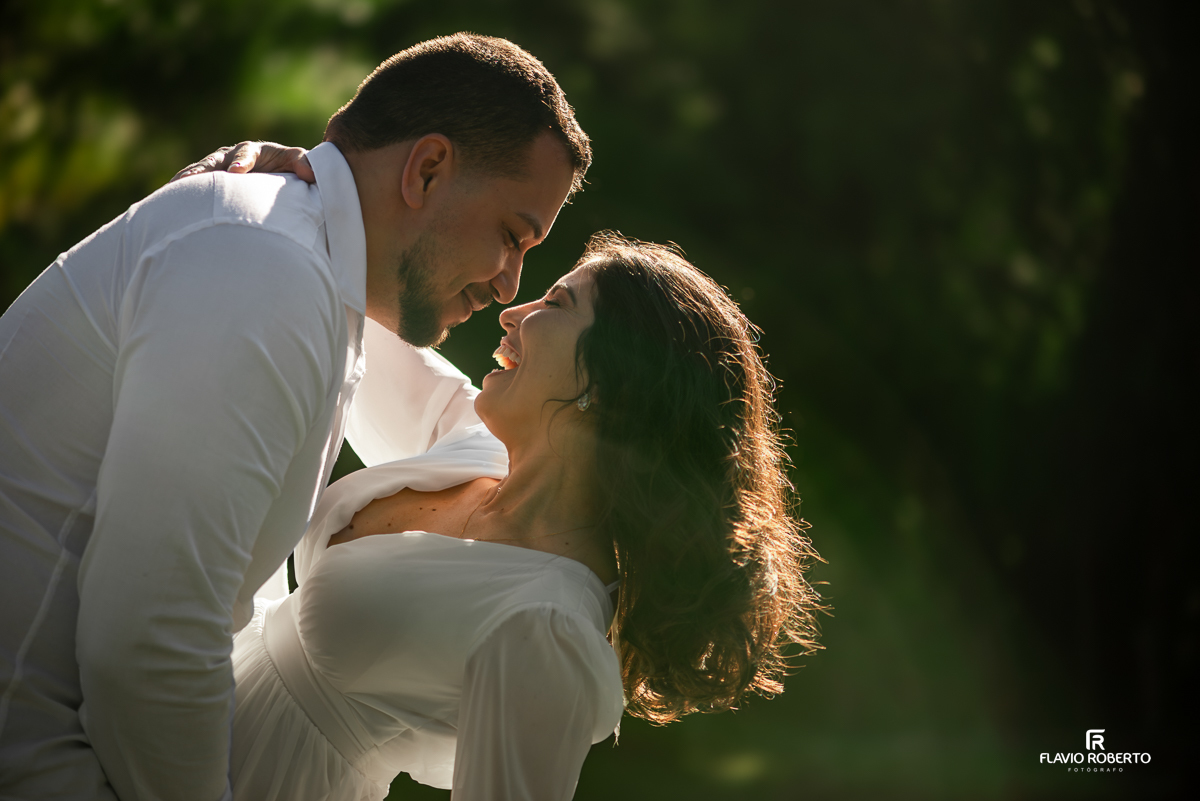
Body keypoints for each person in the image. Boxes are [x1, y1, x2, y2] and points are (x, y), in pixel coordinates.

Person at [0, 33, 588, 801]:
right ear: (428, 168)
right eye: (513, 235)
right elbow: (150, 642)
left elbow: (454, 413)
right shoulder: (265, 269)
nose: (509, 283)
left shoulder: (300, 263)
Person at [227, 233, 826, 800]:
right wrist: (294, 182)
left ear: (610, 380)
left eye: (557, 302)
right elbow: (345, 304)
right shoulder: (474, 442)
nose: (513, 313)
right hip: (170, 710)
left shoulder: (549, 628)